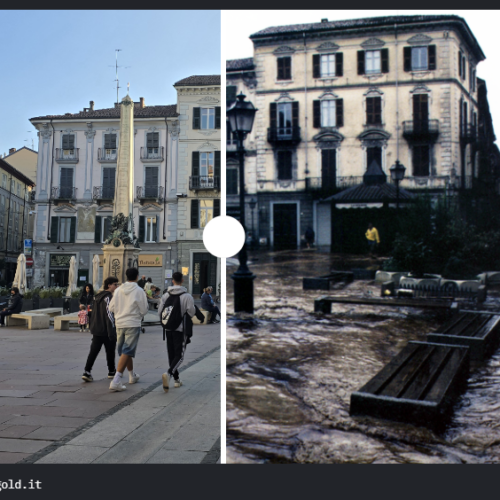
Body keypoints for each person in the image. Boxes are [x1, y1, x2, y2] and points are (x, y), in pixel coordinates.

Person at [158, 271, 204, 392]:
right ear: (182, 280)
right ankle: (168, 374)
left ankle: (176, 379)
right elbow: (191, 312)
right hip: (180, 329)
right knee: (180, 355)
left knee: (171, 354)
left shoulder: (165, 295)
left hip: (168, 328)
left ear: (172, 280)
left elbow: (160, 312)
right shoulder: (187, 296)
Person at [108, 268, 149, 392]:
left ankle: (131, 375)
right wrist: (138, 314)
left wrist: (120, 312)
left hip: (119, 323)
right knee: (127, 350)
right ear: (137, 277)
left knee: (125, 350)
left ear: (126, 276)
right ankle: (116, 379)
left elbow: (111, 307)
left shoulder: (118, 290)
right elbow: (144, 309)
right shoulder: (139, 291)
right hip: (132, 322)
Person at [82, 276, 119, 382]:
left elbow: (92, 313)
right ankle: (111, 371)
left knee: (94, 351)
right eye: (115, 284)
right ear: (109, 285)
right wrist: (112, 329)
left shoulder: (97, 297)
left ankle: (87, 371)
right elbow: (109, 314)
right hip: (106, 329)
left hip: (96, 328)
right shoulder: (108, 297)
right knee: (110, 350)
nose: (116, 287)